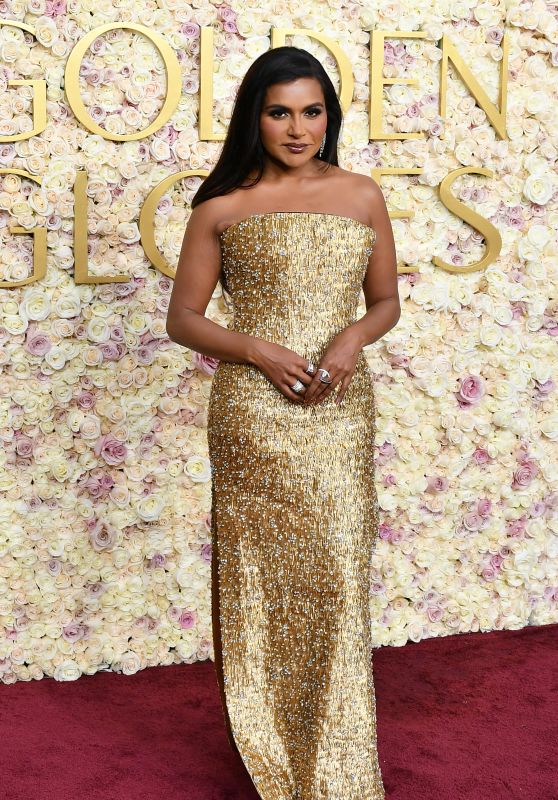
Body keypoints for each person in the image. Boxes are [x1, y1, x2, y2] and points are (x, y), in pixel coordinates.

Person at [166, 45, 399, 800]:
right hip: (252, 416)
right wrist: (256, 349)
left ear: (329, 116)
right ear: (253, 119)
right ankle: (272, 758)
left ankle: (339, 766)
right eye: (279, 112)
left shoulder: (362, 194)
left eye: (312, 111)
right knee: (259, 581)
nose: (297, 128)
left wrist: (351, 337)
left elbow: (385, 302)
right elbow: (183, 320)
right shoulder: (223, 207)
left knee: (335, 577)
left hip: (338, 409)